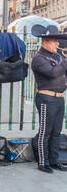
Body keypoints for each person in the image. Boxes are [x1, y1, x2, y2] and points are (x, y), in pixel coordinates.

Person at [31, 24, 67, 173]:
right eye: (54, 41)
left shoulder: (58, 56)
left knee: (56, 132)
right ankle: (43, 162)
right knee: (45, 131)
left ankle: (54, 160)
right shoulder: (38, 58)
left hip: (59, 98)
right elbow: (52, 73)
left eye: (58, 41)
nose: (58, 44)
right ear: (44, 41)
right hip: (46, 98)